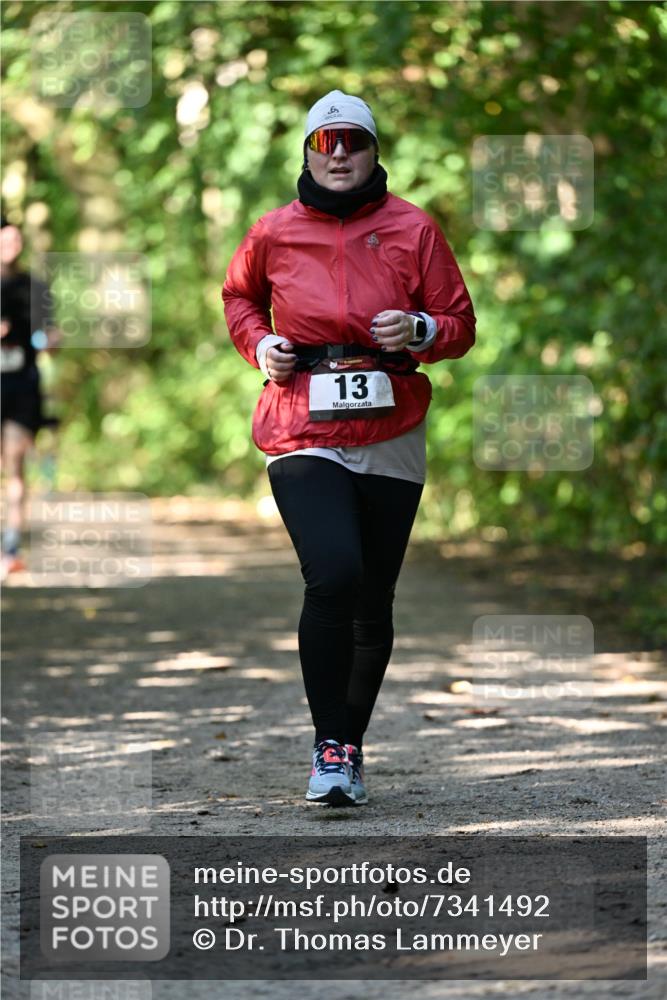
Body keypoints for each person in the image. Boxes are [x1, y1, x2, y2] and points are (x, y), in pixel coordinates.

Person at [223, 90, 476, 806]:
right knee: (334, 571)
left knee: (373, 599)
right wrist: (261, 344)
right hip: (300, 423)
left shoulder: (413, 227)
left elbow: (459, 323)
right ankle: (327, 744)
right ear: (307, 153)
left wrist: (421, 331)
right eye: (324, 143)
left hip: (392, 425)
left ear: (373, 151)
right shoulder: (273, 231)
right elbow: (239, 298)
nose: (338, 156)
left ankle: (346, 748)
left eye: (352, 142)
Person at [1, 214, 59, 578]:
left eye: (16, 240)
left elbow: (50, 335)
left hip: (23, 388)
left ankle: (10, 547)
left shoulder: (35, 288)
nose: (12, 245)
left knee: (16, 463)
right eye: (6, 239)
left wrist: (52, 341)